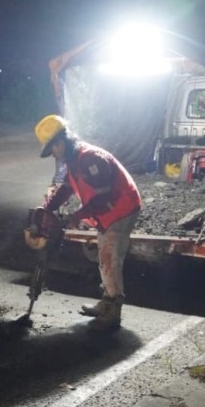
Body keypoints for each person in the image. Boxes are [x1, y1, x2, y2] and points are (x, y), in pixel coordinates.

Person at [33, 114, 141, 332]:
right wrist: (47, 207)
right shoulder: (71, 161)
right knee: (104, 258)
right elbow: (64, 187)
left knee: (109, 258)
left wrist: (76, 216)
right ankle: (106, 301)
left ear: (60, 144)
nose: (53, 154)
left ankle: (113, 312)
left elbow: (103, 198)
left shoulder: (91, 159)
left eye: (52, 149)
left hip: (121, 209)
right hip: (106, 211)